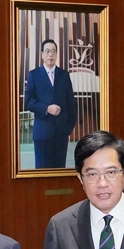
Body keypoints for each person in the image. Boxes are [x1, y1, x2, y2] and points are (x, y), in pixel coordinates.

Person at [25, 38, 77, 169]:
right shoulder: (34, 75)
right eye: (47, 51)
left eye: (53, 51)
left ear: (57, 54)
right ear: (42, 54)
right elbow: (29, 102)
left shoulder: (64, 75)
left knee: (59, 172)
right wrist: (47, 109)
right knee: (42, 173)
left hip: (61, 134)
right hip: (42, 134)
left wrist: (68, 129)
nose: (50, 54)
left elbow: (71, 103)